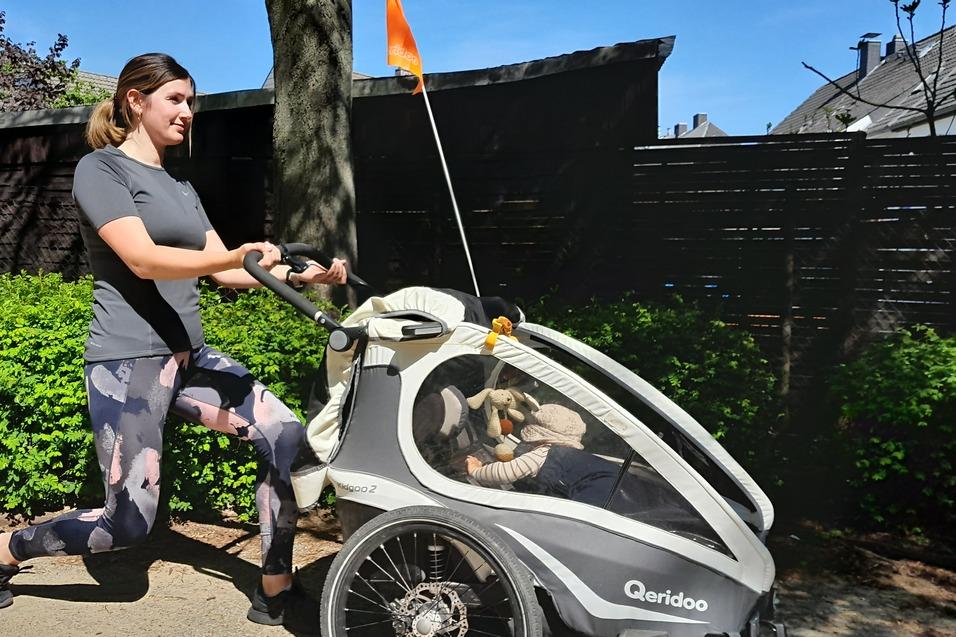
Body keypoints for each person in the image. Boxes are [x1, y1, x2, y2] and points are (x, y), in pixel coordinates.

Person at [0, 53, 346, 628]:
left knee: (287, 439)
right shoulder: (101, 171)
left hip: (190, 357)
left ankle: (275, 586)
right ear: (136, 101)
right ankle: (4, 552)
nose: (189, 113)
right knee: (127, 524)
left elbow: (224, 272)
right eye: (176, 100)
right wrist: (239, 253)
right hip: (128, 361)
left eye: (191, 102)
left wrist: (298, 275)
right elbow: (142, 259)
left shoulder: (179, 185)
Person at [465, 403, 620, 507]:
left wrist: (477, 471)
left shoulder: (545, 452)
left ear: (540, 436)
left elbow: (506, 472)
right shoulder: (575, 456)